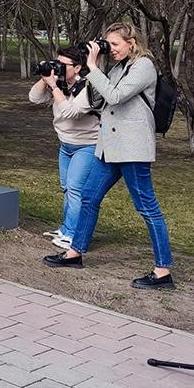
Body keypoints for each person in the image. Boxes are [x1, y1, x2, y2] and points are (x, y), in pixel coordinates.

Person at [43, 22, 175, 290]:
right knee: (89, 197)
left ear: (131, 43)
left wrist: (92, 67)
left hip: (132, 148)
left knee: (147, 207)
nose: (111, 49)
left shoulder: (143, 66)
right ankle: (74, 253)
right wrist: (94, 66)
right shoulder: (117, 67)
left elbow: (115, 96)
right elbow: (99, 100)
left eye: (115, 44)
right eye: (108, 44)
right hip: (110, 146)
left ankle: (163, 271)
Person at [29, 46, 104, 250]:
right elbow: (34, 98)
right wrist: (45, 77)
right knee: (67, 189)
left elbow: (71, 112)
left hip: (87, 145)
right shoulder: (60, 84)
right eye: (57, 63)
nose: (59, 67)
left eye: (63, 65)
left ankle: (72, 235)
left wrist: (53, 86)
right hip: (66, 145)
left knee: (75, 189)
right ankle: (66, 228)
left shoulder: (89, 86)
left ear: (77, 67)